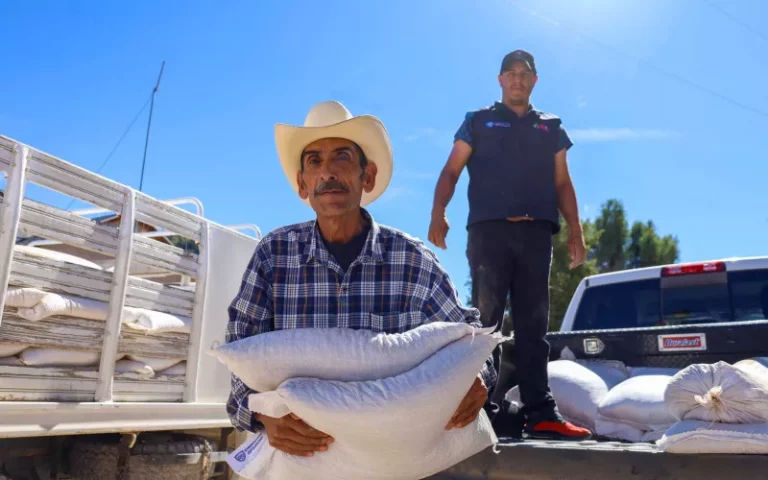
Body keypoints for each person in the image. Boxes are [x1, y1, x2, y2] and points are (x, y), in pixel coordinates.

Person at [226, 100, 498, 457]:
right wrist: (262, 416)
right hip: (298, 465)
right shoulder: (273, 256)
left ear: (366, 176)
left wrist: (478, 379)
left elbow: (471, 338)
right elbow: (239, 358)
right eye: (314, 162)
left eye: (341, 157)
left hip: (391, 463)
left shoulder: (414, 262)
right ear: (302, 184)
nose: (328, 173)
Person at [427, 50, 591, 440]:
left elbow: (562, 182)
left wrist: (576, 229)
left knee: (534, 325)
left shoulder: (551, 127)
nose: (518, 80)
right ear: (500, 80)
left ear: (535, 80)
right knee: (486, 324)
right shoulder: (478, 122)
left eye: (525, 74)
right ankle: (481, 409)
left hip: (536, 234)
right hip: (489, 234)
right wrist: (439, 212)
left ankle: (540, 412)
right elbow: (452, 169)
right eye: (511, 74)